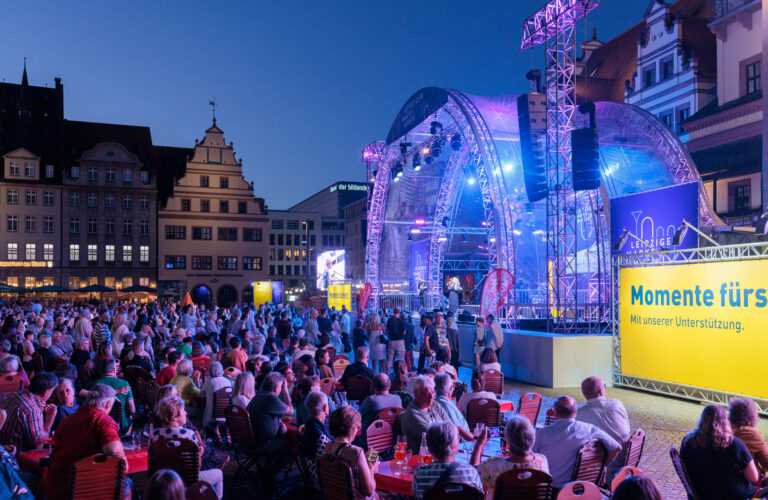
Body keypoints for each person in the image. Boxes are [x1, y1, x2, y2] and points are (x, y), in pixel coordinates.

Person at [42, 384, 129, 500]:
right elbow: (115, 454)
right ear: (108, 404)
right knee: (126, 484)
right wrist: (125, 463)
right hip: (82, 490)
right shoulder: (103, 420)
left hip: (54, 488)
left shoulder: (67, 420)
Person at [533, 395, 621, 489]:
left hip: (549, 489)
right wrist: (603, 466)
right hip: (578, 489)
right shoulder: (591, 430)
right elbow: (616, 447)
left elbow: (529, 459)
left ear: (555, 412)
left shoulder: (542, 434)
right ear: (575, 412)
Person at [681, 403, 760, 499]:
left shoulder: (688, 442)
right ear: (725, 421)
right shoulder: (734, 443)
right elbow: (753, 477)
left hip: (700, 494)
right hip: (730, 495)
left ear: (702, 419)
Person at [150, 397, 224, 499]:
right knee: (219, 474)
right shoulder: (189, 434)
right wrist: (200, 454)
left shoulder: (153, 434)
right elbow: (197, 466)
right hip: (187, 483)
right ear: (175, 416)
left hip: (162, 482)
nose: (186, 413)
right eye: (183, 410)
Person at [473, 415, 549, 498]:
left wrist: (479, 445)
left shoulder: (493, 465)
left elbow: (472, 476)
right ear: (533, 438)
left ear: (508, 440)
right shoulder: (542, 461)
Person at [400, 375, 474, 452]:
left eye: (432, 392)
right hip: (425, 455)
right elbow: (434, 437)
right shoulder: (412, 414)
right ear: (416, 393)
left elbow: (452, 426)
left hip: (443, 450)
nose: (431, 397)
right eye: (426, 393)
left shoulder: (435, 405)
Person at [411, 421, 483, 499]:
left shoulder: (419, 474)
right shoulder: (470, 472)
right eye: (458, 439)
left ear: (429, 448)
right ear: (453, 446)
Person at [577, 376, 631, 478]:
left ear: (584, 395)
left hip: (602, 470)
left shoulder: (579, 414)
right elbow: (627, 430)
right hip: (627, 463)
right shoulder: (617, 404)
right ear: (602, 391)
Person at [323, 406, 378, 500]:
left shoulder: (328, 447)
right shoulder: (356, 452)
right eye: (357, 427)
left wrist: (363, 461)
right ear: (352, 428)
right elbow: (369, 491)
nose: (357, 431)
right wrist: (371, 468)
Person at [0, 372, 57, 452]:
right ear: (46, 392)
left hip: (2, 448)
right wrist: (50, 419)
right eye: (52, 391)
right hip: (16, 455)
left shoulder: (15, 395)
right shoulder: (32, 410)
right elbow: (38, 445)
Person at [245, 372, 293, 459]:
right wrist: (286, 390)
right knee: (289, 445)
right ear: (276, 388)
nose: (281, 389)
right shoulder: (271, 399)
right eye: (281, 387)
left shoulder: (258, 396)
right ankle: (270, 468)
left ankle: (268, 463)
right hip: (262, 444)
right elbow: (291, 411)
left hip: (248, 442)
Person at [298, 390, 332, 492]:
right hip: (326, 485)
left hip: (313, 480)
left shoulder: (306, 428)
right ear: (325, 408)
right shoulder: (320, 436)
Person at [89, 358, 135, 432]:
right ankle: (125, 437)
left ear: (100, 370)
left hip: (99, 424)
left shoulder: (94, 384)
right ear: (114, 370)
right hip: (120, 426)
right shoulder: (125, 384)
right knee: (130, 417)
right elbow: (133, 410)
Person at [729, 398, 768, 474]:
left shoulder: (723, 430)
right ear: (752, 415)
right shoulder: (753, 434)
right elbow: (766, 462)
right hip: (748, 479)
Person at [200, 362, 232, 429]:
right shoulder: (228, 381)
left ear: (210, 371)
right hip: (226, 416)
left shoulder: (208, 381)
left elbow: (201, 395)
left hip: (210, 418)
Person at [385, 307, 406, 374]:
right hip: (399, 341)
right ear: (400, 312)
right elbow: (404, 332)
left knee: (389, 358)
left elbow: (387, 329)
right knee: (400, 359)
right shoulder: (402, 321)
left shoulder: (389, 320)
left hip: (391, 341)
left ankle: (387, 374)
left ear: (394, 312)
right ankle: (399, 374)